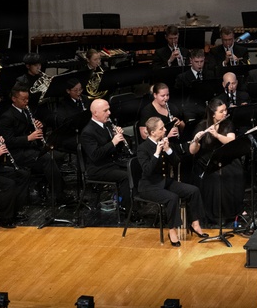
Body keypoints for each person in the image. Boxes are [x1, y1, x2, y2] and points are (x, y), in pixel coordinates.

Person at [137, 116, 206, 246]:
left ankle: (195, 224)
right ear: (153, 133)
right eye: (161, 128)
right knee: (172, 198)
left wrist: (168, 150)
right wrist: (157, 153)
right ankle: (172, 230)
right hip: (149, 186)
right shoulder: (143, 148)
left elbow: (176, 162)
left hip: (164, 182)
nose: (165, 130)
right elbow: (147, 171)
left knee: (193, 190)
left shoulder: (164, 142)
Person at [0, 87, 68, 203]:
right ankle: (59, 194)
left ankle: (43, 183)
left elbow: (28, 128)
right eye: (23, 99)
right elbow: (8, 141)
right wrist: (28, 138)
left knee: (59, 156)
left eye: (27, 99)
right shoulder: (7, 117)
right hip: (17, 153)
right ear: (14, 99)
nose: (26, 102)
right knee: (48, 159)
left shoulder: (25, 111)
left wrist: (38, 125)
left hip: (29, 148)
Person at [81, 99, 132, 211]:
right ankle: (128, 209)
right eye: (105, 110)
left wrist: (118, 140)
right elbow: (95, 155)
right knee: (126, 177)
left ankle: (133, 201)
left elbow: (114, 150)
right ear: (95, 113)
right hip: (98, 169)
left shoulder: (107, 124)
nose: (109, 113)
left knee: (135, 167)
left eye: (109, 109)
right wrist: (113, 142)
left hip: (111, 163)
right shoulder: (87, 132)